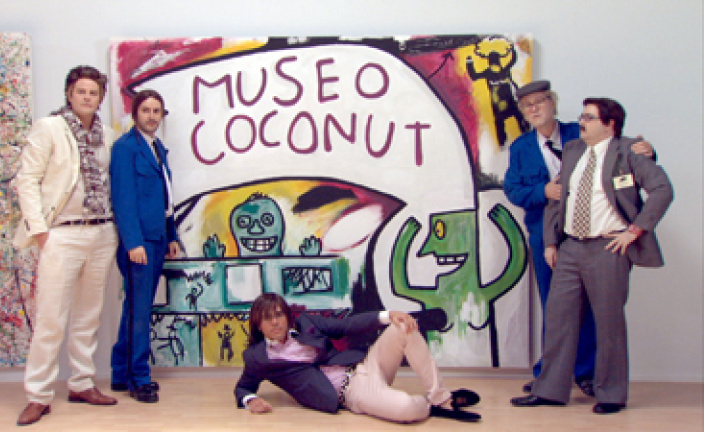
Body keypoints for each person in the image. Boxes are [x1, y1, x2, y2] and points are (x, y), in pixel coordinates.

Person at [510, 98, 673, 414]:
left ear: (609, 125)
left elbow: (662, 189)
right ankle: (550, 390)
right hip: (570, 247)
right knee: (558, 318)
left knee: (608, 322)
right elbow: (558, 198)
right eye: (582, 116)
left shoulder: (629, 151)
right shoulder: (573, 150)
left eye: (589, 117)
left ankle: (611, 394)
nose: (581, 121)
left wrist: (635, 231)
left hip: (607, 248)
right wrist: (551, 243)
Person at [14, 65, 119, 426]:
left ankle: (82, 383)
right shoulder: (49, 128)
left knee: (89, 315)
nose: (87, 97)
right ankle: (38, 394)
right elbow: (27, 180)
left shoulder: (107, 135)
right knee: (51, 318)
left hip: (101, 232)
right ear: (69, 94)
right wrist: (40, 231)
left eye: (93, 92)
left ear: (100, 98)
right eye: (81, 91)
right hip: (62, 233)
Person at [234, 293, 481, 423]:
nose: (275, 322)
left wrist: (388, 315)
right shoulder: (258, 358)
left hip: (365, 364)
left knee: (404, 326)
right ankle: (428, 406)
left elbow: (346, 325)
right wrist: (250, 400)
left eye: (279, 315)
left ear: (287, 316)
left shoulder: (306, 322)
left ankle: (441, 398)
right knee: (406, 409)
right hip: (351, 391)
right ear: (258, 324)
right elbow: (243, 387)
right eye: (267, 318)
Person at [109, 89, 181, 403]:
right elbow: (123, 199)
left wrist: (172, 234)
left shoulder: (158, 148)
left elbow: (166, 197)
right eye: (146, 110)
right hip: (139, 244)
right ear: (135, 113)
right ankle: (138, 378)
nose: (151, 116)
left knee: (136, 310)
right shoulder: (125, 148)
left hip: (157, 239)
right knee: (139, 313)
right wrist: (132, 242)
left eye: (156, 111)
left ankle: (119, 373)